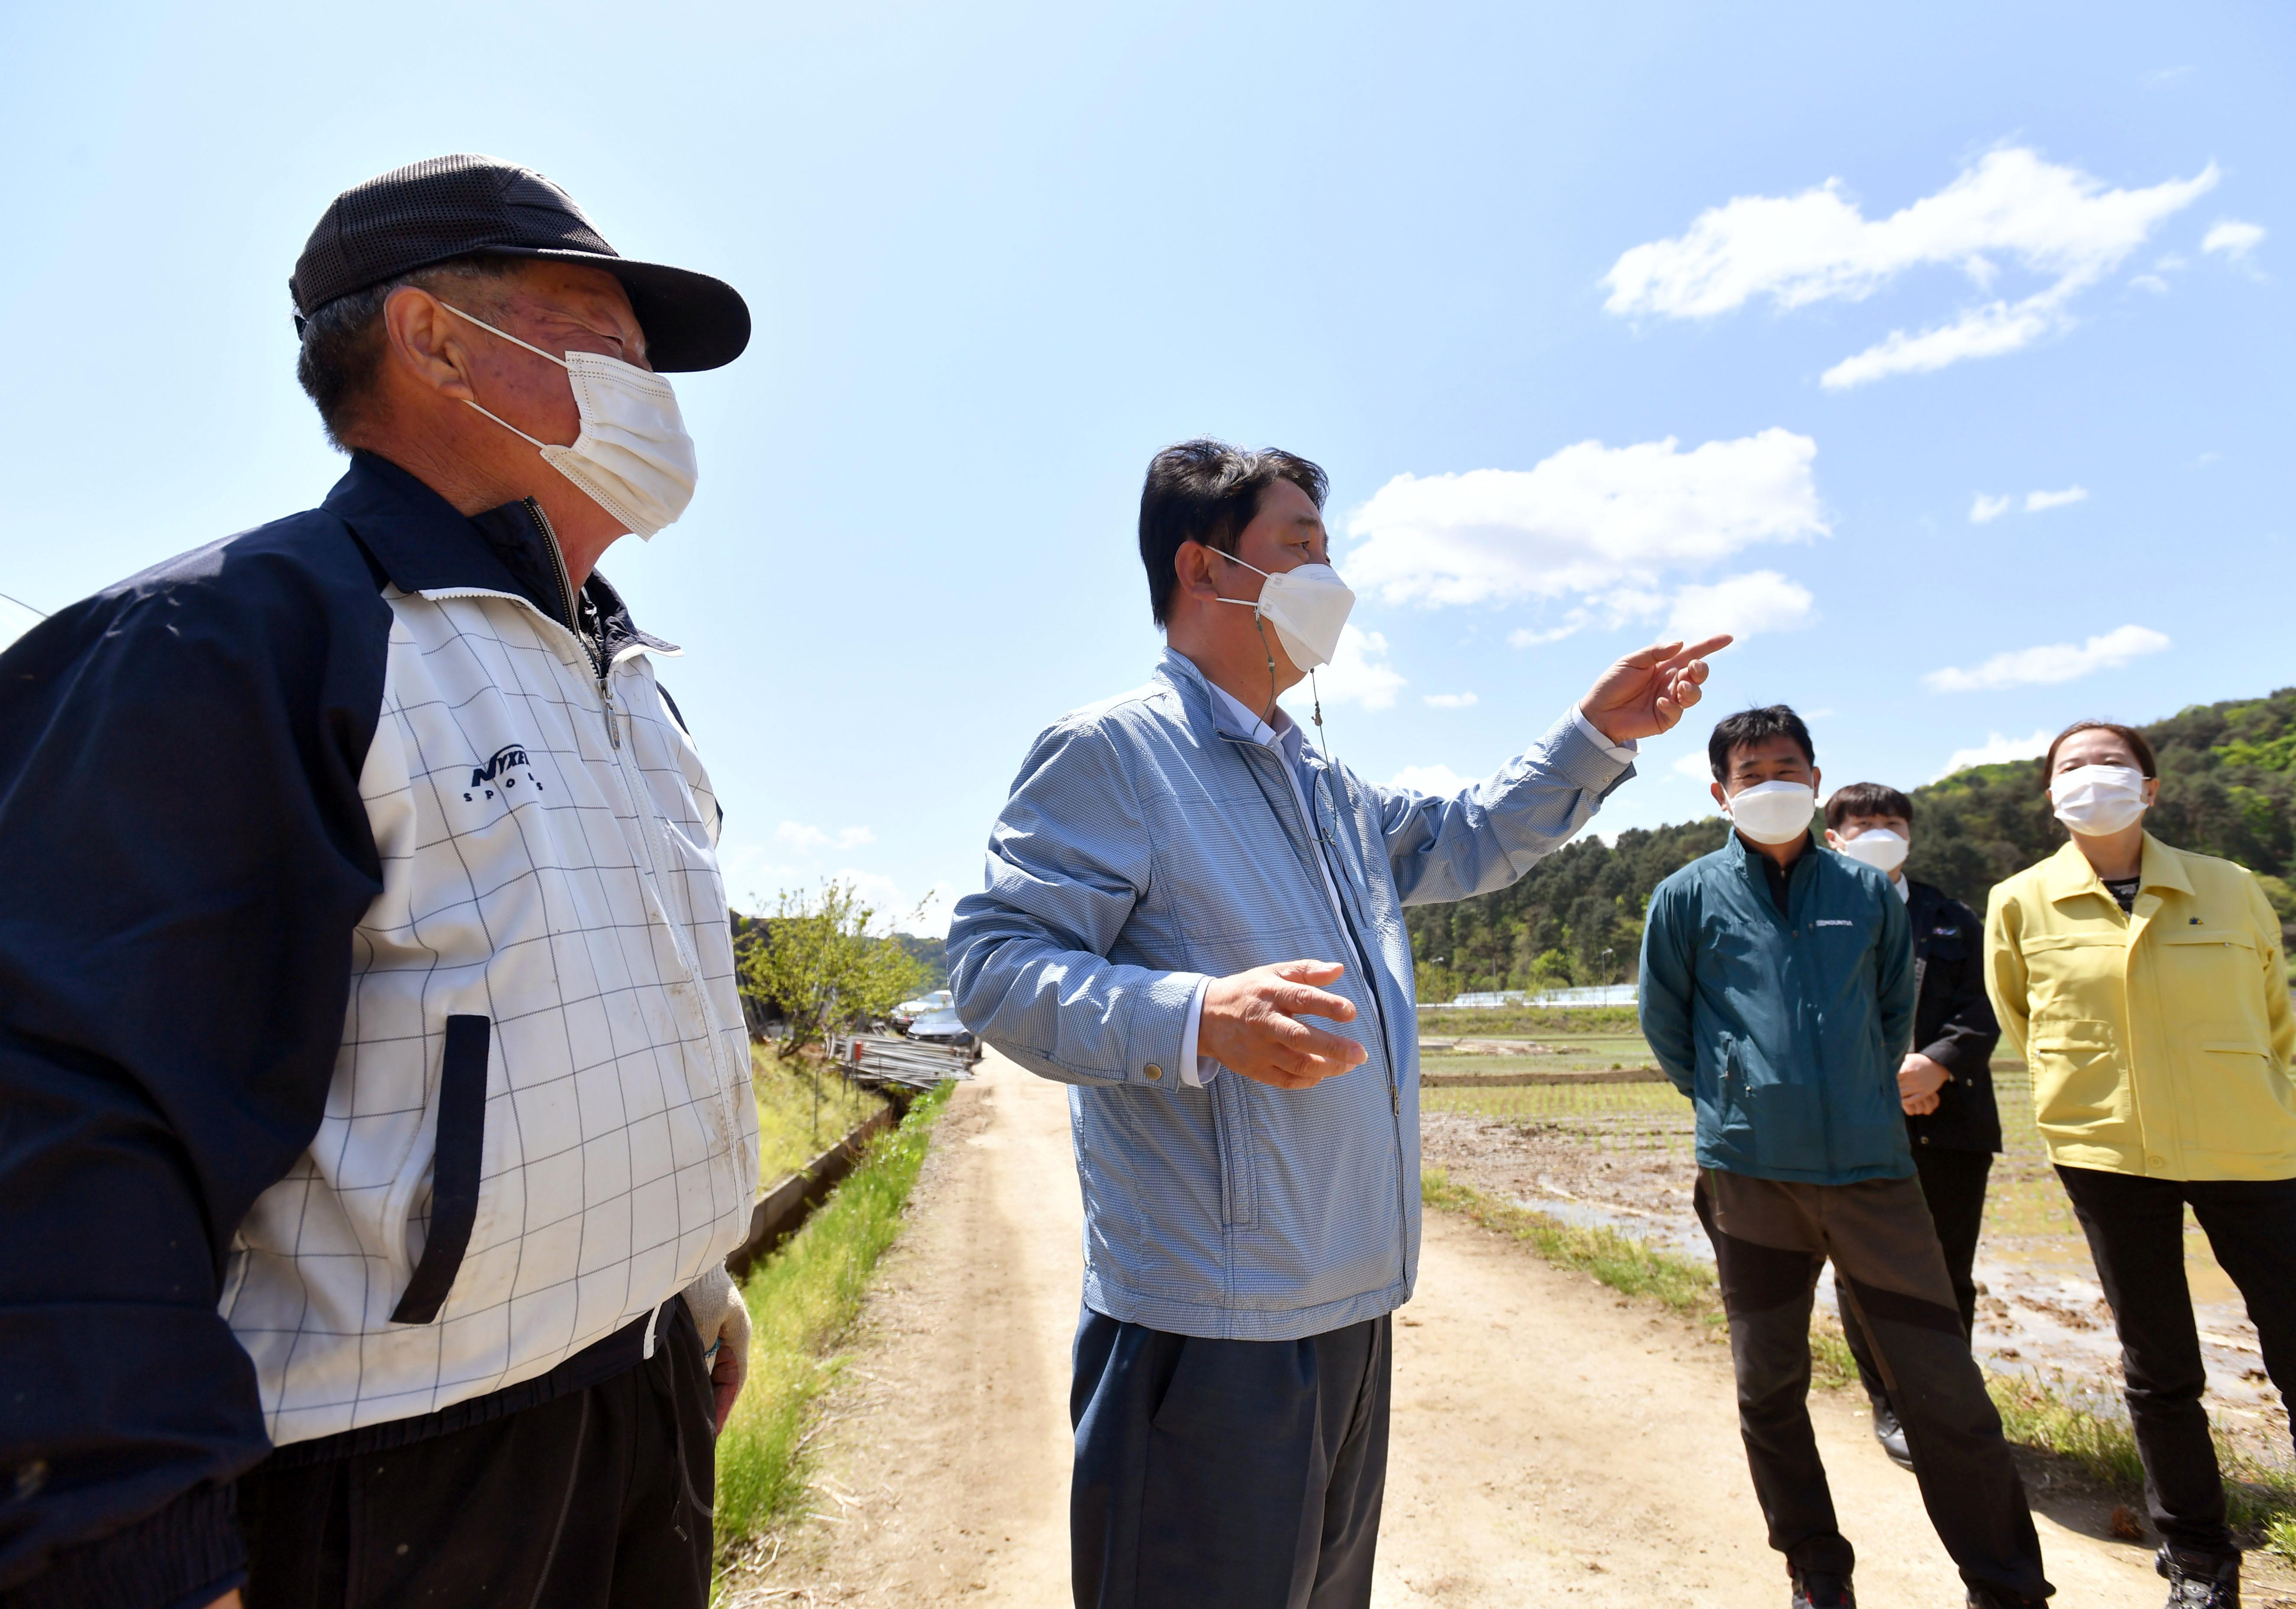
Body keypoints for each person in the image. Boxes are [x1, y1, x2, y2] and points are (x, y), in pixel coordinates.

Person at [0, 156, 761, 1609]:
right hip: (400, 1472)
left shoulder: (625, 675)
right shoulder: (235, 639)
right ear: (433, 341)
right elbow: (62, 1108)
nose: (649, 386)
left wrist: (695, 1281)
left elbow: (598, 1017)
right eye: (601, 335)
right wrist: (126, 1542)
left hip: (639, 1404)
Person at [947, 439, 1726, 1609]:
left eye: (1330, 545)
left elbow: (1469, 835)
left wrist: (1596, 736)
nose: (1332, 576)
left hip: (1350, 1299)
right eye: (1300, 546)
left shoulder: (1320, 783)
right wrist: (1195, 1014)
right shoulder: (1114, 753)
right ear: (1206, 569)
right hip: (1211, 1324)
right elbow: (996, 966)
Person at [1984, 721, 2296, 1609]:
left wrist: (2244, 1087)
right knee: (2160, 1367)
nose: (2092, 776)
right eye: (2073, 766)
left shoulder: (2230, 885)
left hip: (2246, 1146)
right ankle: (2199, 1560)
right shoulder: (2020, 901)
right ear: (2049, 792)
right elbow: (2023, 1025)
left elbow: (2274, 1015)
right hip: (2109, 1154)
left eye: (2111, 762)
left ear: (2151, 786)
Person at [1638, 707, 2052, 1609]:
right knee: (1770, 1385)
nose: (1773, 781)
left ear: (1817, 780)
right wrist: (1734, 1096)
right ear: (1721, 792)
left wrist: (1858, 1098)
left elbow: (1890, 1009)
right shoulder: (1687, 896)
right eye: (1753, 771)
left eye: (1790, 765)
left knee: (1944, 1387)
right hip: (1751, 1179)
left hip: (1874, 1174)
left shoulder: (1866, 896)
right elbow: (1666, 1022)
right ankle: (1817, 1568)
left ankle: (2009, 1583)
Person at [1822, 782, 2004, 1468]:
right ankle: (1892, 1401)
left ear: (1911, 835)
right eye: (1861, 822)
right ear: (1832, 837)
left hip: (1949, 1120)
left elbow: (1985, 1006)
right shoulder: (1813, 914)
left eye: (1891, 822)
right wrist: (1883, 1083)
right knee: (1863, 1272)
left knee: (1948, 1271)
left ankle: (1948, 1398)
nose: (1878, 832)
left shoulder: (1954, 918)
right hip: (1853, 1123)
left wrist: (1935, 1066)